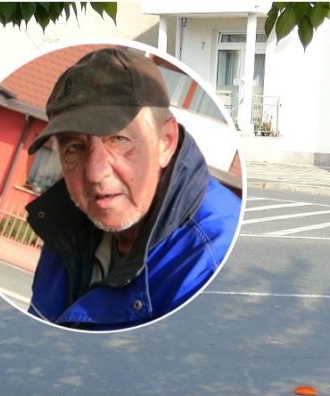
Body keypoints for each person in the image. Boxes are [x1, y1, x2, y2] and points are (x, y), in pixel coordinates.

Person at [24, 46, 241, 331]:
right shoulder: (65, 232)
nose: (95, 173)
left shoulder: (214, 258)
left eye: (119, 139)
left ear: (166, 142)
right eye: (74, 147)